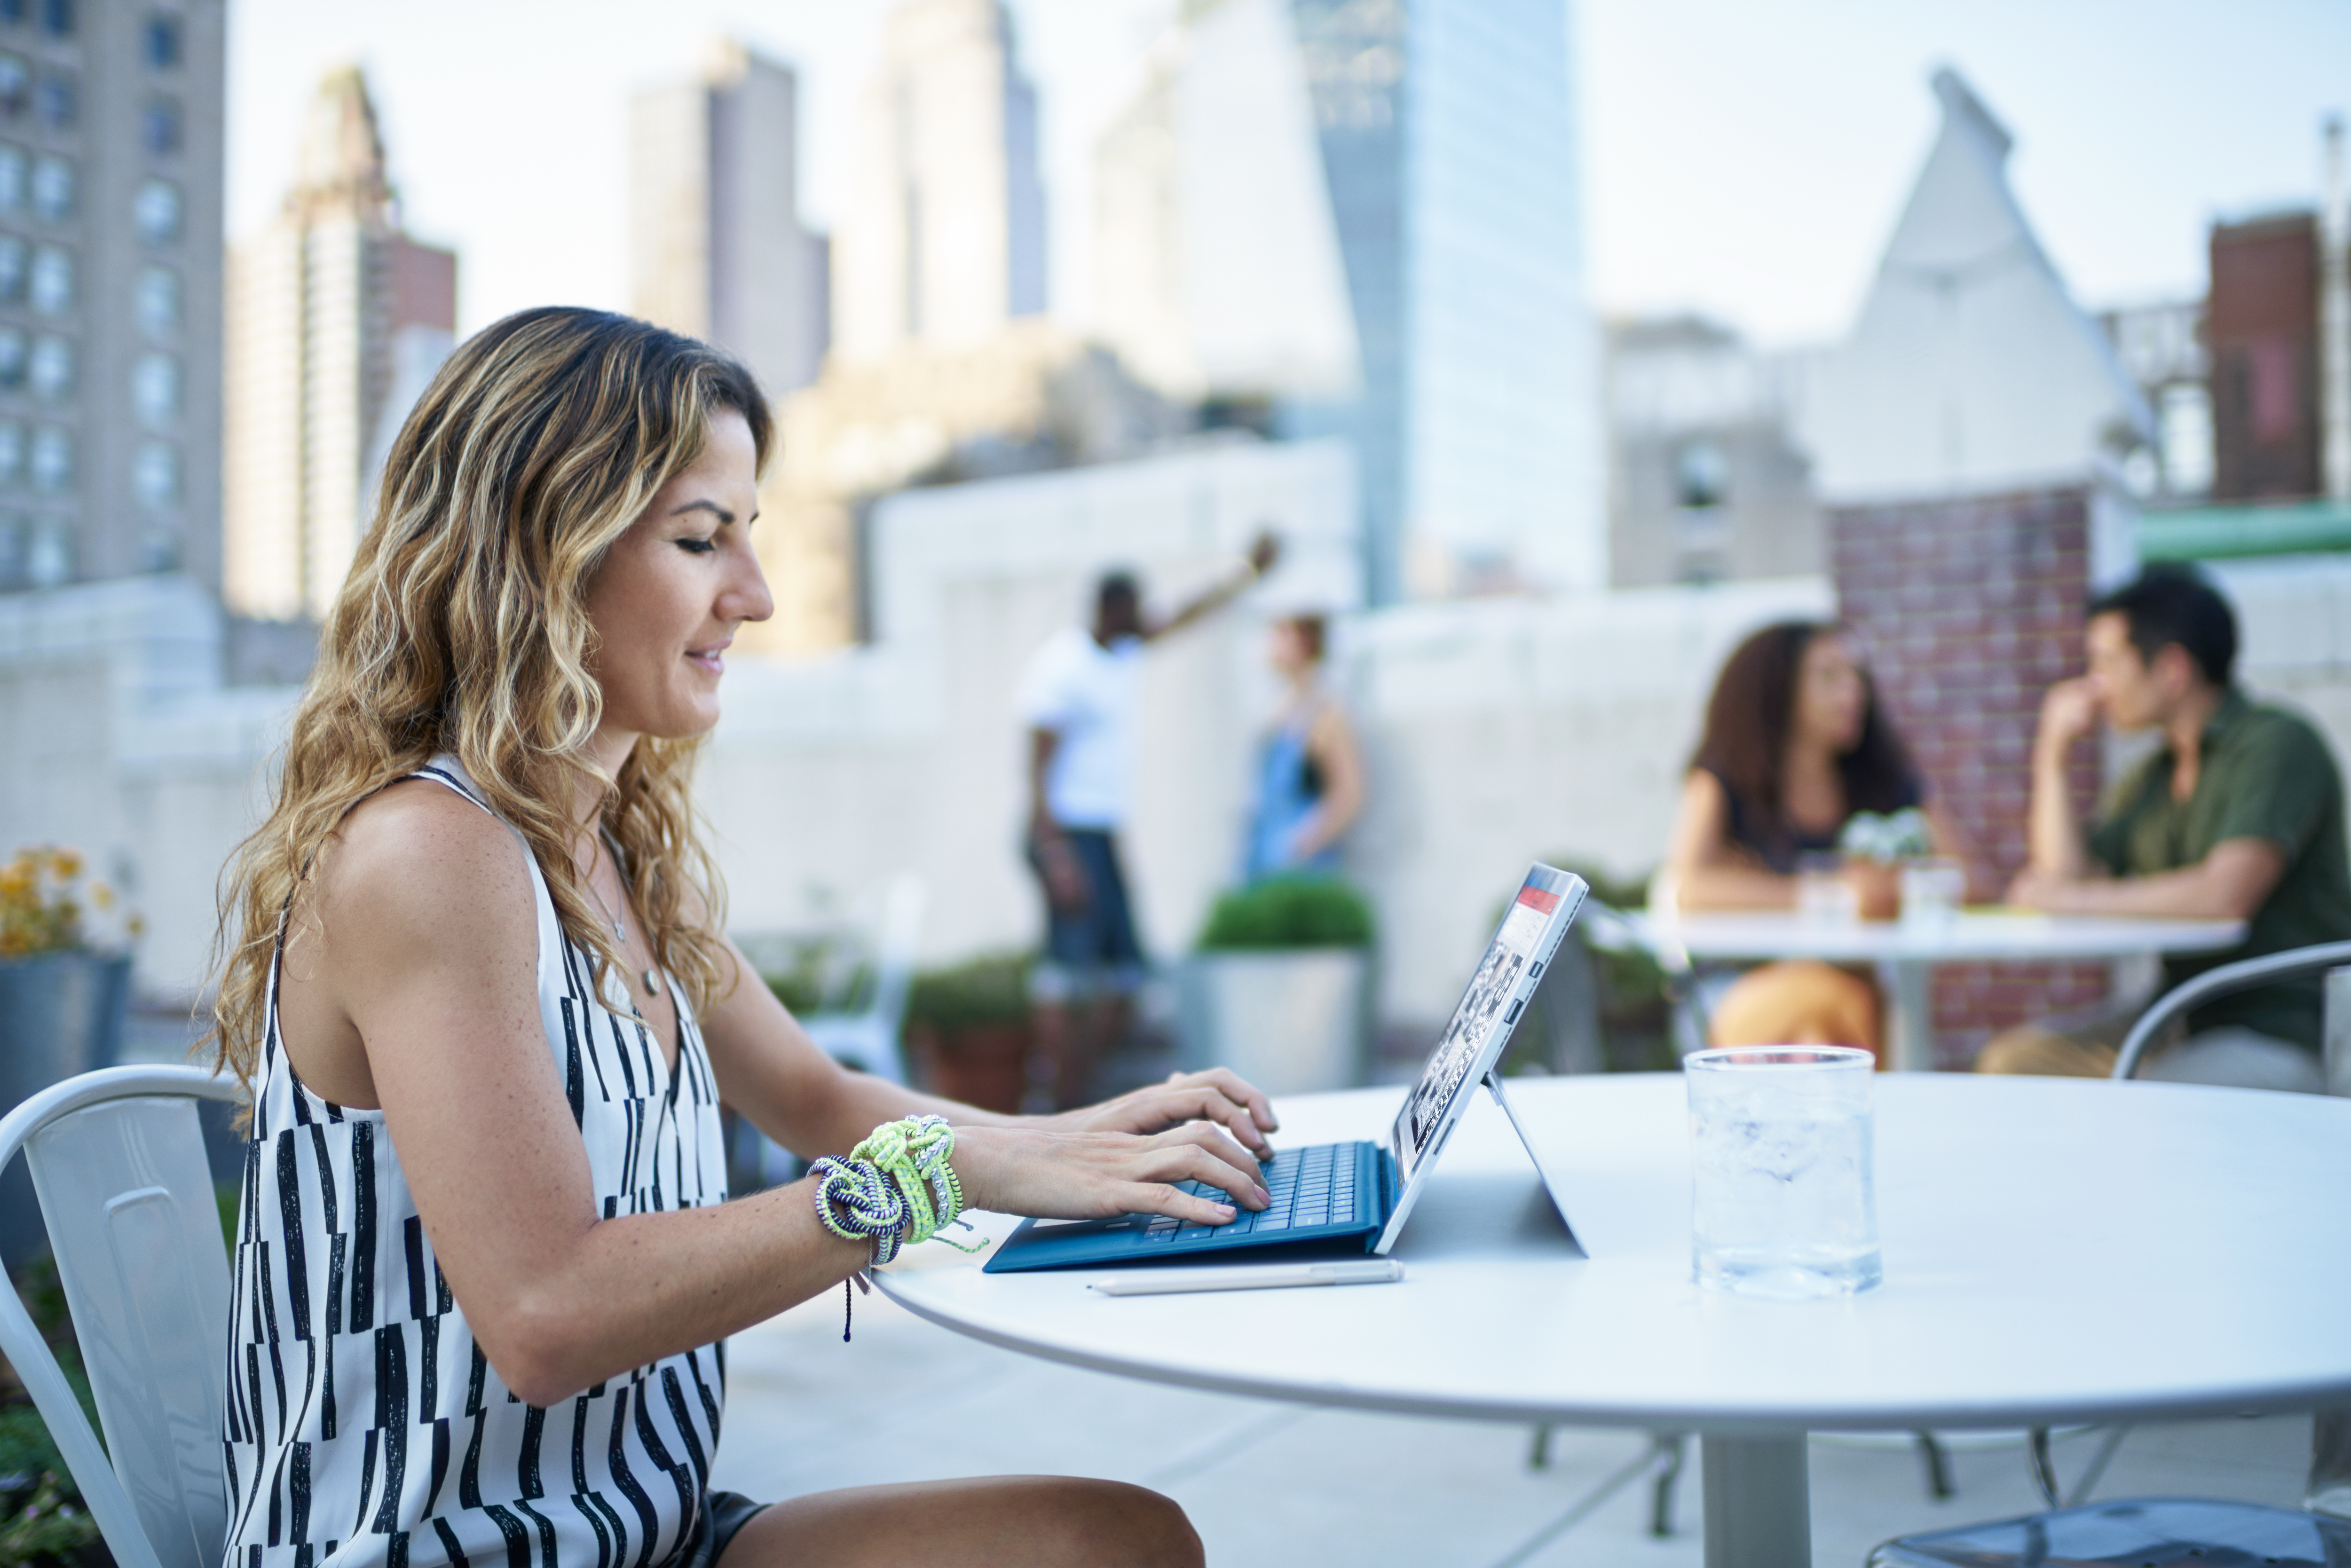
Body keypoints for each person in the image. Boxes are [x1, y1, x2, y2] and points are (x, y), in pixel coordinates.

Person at [205, 308, 1282, 1568]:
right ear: (541, 552)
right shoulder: (427, 852)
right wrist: (946, 1173)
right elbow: (548, 1311)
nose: (755, 597)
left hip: (646, 1532)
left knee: (1113, 1538)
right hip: (447, 1549)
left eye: (749, 538)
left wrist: (1080, 1139)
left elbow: (814, 1092)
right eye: (700, 539)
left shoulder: (618, 847)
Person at [1979, 567, 2351, 1089]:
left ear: (2171, 669)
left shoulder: (2278, 744)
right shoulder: (2152, 775)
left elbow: (2223, 895)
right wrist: (2052, 754)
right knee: (2014, 1062)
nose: (2093, 684)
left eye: (2106, 662)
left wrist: (2067, 898)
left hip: (2282, 1029)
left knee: (2158, 1094)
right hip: (2178, 1018)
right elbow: (2063, 872)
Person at [1018, 538, 1280, 1109]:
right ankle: (1053, 1105)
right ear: (1110, 610)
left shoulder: (1123, 649)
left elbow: (1182, 614)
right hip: (1064, 832)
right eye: (1133, 612)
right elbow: (1035, 768)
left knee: (1125, 977)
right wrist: (1055, 854)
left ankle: (1080, 1096)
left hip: (1100, 834)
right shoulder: (1061, 667)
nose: (1143, 622)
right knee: (1067, 977)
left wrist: (1244, 572)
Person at [1662, 622, 1977, 1057]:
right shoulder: (1724, 779)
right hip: (1741, 989)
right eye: (1830, 677)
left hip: (1856, 992)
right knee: (1831, 1017)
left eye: (1857, 677)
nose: (1853, 694)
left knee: (1824, 1031)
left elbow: (1972, 880)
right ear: (1776, 689)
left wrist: (1891, 887)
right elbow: (1693, 889)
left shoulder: (1881, 780)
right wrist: (1839, 892)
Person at [1240, 612, 1363, 881]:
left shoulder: (1325, 712)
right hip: (1264, 854)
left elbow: (1349, 791)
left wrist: (1304, 843)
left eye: (1282, 633)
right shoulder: (1280, 708)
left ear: (1306, 641)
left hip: (1301, 862)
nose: (1272, 642)